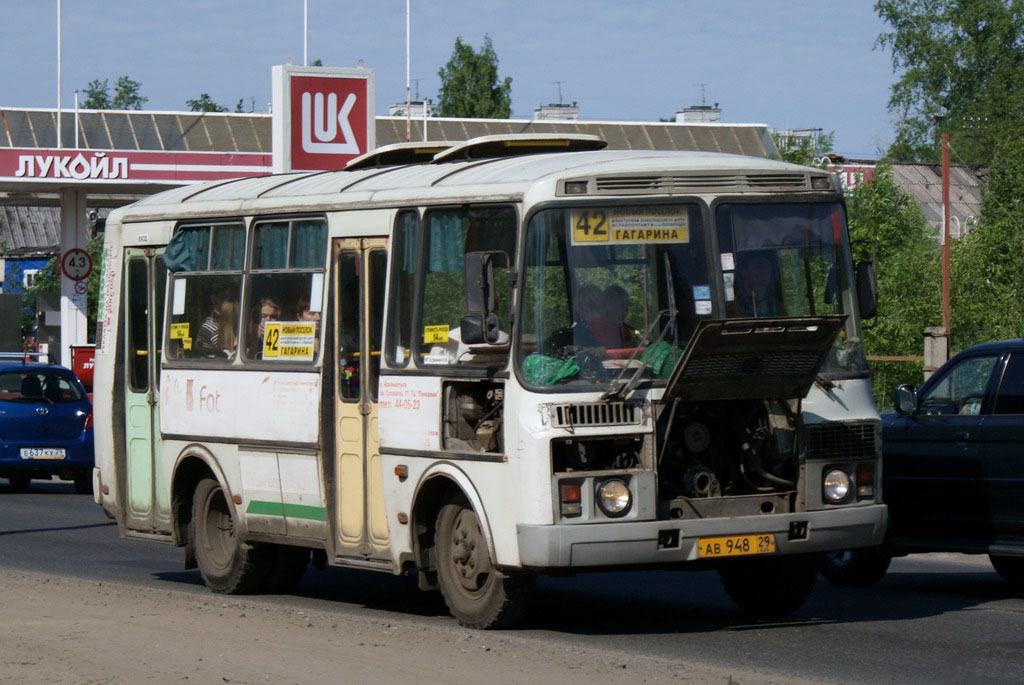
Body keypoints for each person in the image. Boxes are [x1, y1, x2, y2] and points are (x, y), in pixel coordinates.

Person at [730, 252, 786, 318]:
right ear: (744, 272)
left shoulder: (778, 309)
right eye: (758, 267)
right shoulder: (731, 311)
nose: (763, 271)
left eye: (766, 266)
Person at [590, 284, 639, 349]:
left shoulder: (626, 329)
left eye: (627, 305)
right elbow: (604, 350)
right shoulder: (597, 327)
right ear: (608, 305)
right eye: (621, 305)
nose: (625, 310)